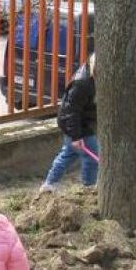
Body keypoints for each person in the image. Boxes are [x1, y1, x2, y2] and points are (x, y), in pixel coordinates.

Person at [40, 53, 98, 194]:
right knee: (92, 157)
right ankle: (88, 188)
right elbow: (71, 112)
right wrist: (76, 137)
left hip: (78, 123)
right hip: (77, 125)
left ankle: (49, 184)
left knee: (68, 154)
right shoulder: (82, 84)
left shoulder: (89, 77)